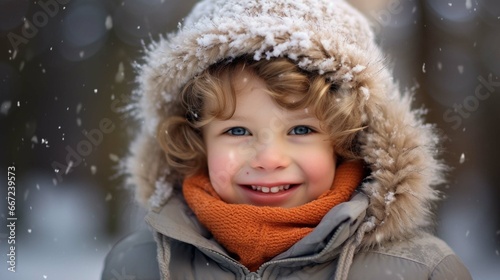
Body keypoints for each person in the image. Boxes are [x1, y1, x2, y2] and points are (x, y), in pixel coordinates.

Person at [101, 0, 472, 279]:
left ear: (347, 142)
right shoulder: (137, 265)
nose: (269, 158)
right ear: (196, 142)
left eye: (300, 130)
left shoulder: (420, 270)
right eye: (237, 130)